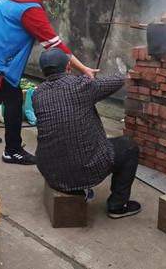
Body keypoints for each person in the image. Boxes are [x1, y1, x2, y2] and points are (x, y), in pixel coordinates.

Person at [0, 0, 98, 165]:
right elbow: (54, 44)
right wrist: (84, 69)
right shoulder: (30, 9)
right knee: (13, 98)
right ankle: (12, 151)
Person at [33, 48, 141, 219]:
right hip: (83, 169)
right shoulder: (81, 86)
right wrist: (123, 70)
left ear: (42, 70)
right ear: (69, 67)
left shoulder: (38, 94)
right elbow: (117, 80)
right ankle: (117, 206)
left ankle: (78, 185)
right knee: (129, 147)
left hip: (49, 170)